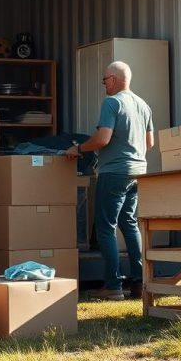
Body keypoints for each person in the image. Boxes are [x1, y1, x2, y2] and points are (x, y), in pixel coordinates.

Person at [66, 61, 153, 301]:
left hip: (114, 172)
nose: (104, 84)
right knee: (129, 223)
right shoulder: (143, 105)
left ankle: (113, 285)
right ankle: (139, 282)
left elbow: (103, 138)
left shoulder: (112, 102)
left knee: (106, 227)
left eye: (105, 80)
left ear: (113, 79)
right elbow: (149, 143)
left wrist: (79, 148)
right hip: (138, 171)